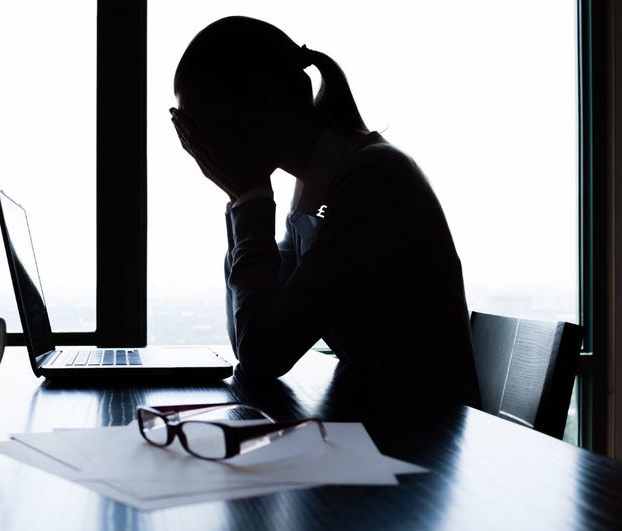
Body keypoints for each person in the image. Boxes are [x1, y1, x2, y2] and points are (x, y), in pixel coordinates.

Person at [170, 16, 480, 408]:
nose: (204, 150)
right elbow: (251, 336)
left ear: (264, 97)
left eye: (205, 128)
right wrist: (242, 201)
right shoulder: (320, 183)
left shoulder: (372, 178)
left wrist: (249, 200)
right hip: (392, 422)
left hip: (425, 436)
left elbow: (263, 353)